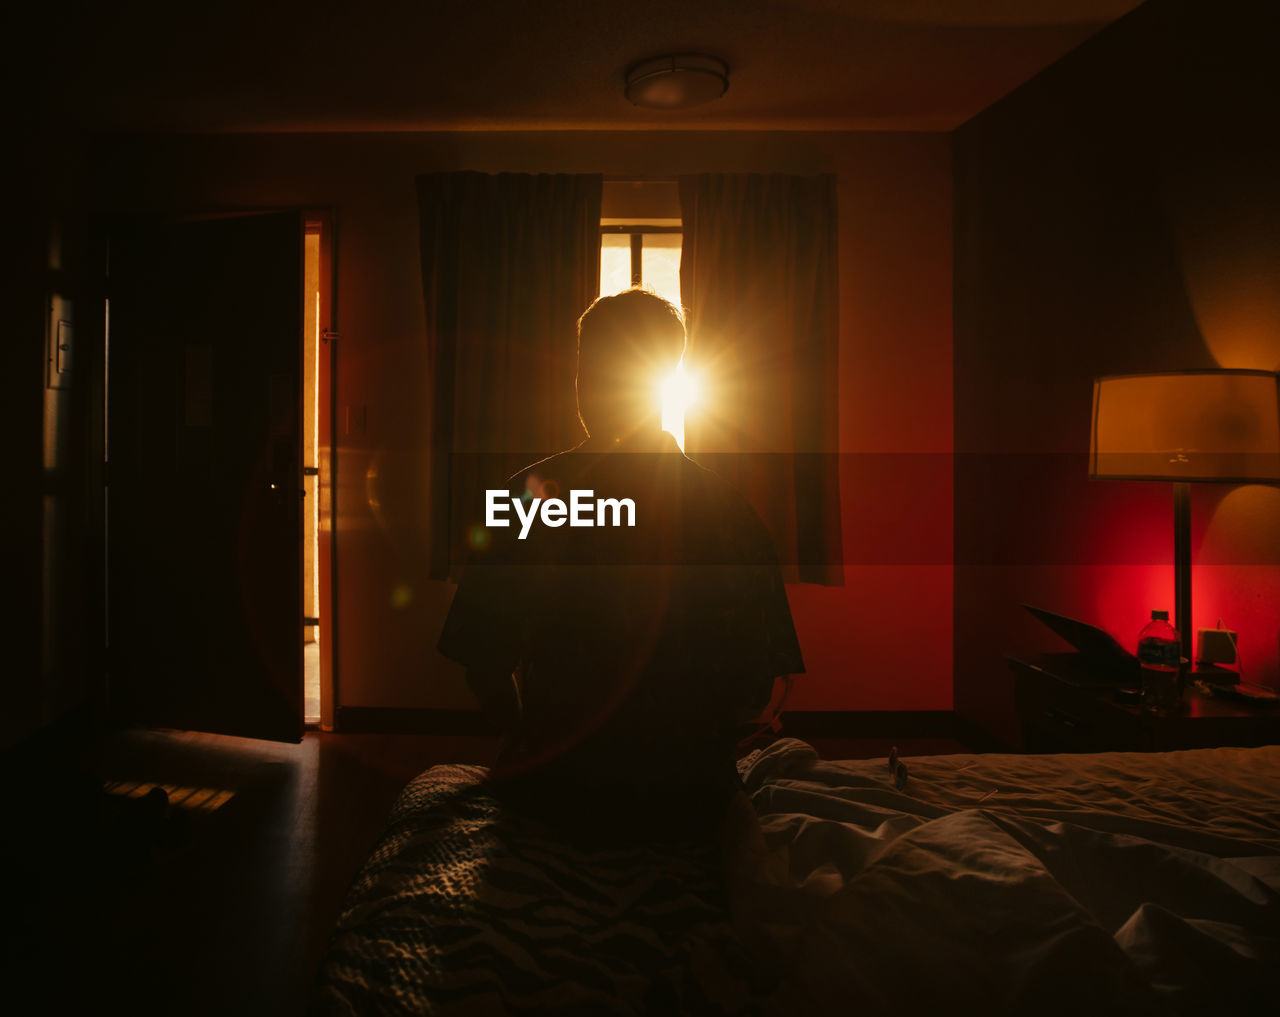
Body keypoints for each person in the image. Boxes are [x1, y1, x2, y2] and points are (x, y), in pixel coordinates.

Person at [438, 288, 803, 842]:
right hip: (687, 795)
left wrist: (536, 740)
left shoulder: (528, 498)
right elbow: (760, 689)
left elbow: (481, 665)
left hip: (556, 789)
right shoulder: (729, 511)